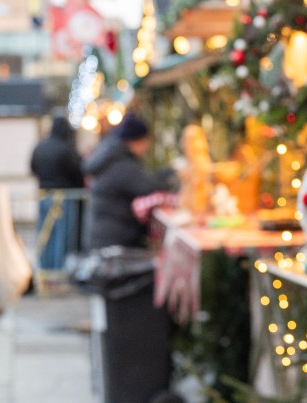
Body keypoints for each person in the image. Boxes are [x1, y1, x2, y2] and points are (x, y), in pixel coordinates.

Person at [85, 114, 173, 403]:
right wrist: (174, 173)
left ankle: (118, 379)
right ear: (137, 140)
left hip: (104, 242)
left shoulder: (109, 157)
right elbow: (148, 185)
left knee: (113, 325)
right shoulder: (122, 164)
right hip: (115, 246)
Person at [30, 115, 84, 270]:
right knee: (62, 236)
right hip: (64, 198)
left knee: (45, 234)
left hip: (43, 195)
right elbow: (77, 172)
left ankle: (45, 269)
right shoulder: (66, 148)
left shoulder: (40, 146)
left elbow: (33, 167)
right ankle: (59, 271)